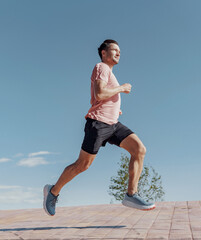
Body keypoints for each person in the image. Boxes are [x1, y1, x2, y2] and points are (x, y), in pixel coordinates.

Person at [43, 39, 155, 216]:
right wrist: (121, 88)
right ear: (104, 52)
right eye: (115, 50)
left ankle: (131, 194)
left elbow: (101, 97)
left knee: (139, 149)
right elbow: (100, 93)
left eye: (120, 51)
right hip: (98, 124)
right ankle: (53, 191)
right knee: (82, 165)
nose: (119, 53)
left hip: (113, 124)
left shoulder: (109, 72)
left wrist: (116, 109)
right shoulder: (101, 67)